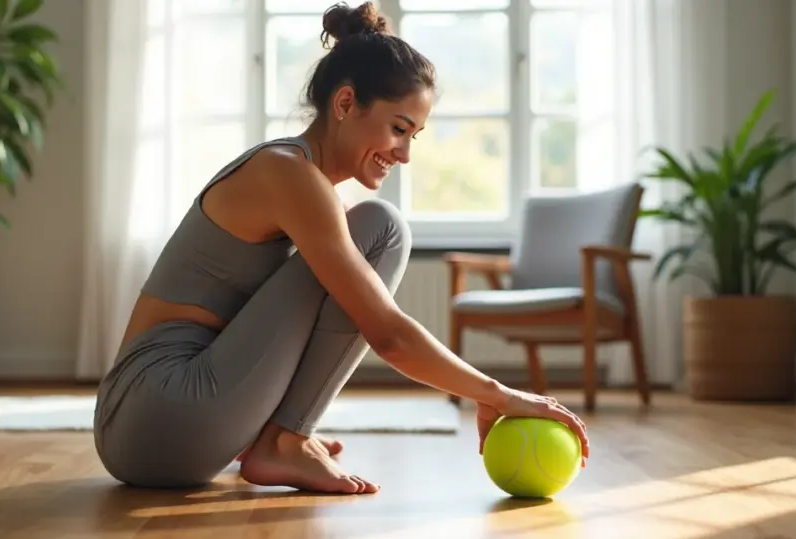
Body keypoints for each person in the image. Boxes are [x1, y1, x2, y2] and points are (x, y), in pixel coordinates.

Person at [93, 1, 590, 495]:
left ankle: (281, 438)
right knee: (381, 227)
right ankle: (285, 441)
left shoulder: (301, 180)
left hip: (151, 427)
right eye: (398, 129)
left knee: (370, 226)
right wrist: (497, 394)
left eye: (414, 135)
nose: (406, 153)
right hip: (159, 409)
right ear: (346, 103)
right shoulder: (288, 173)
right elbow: (388, 335)